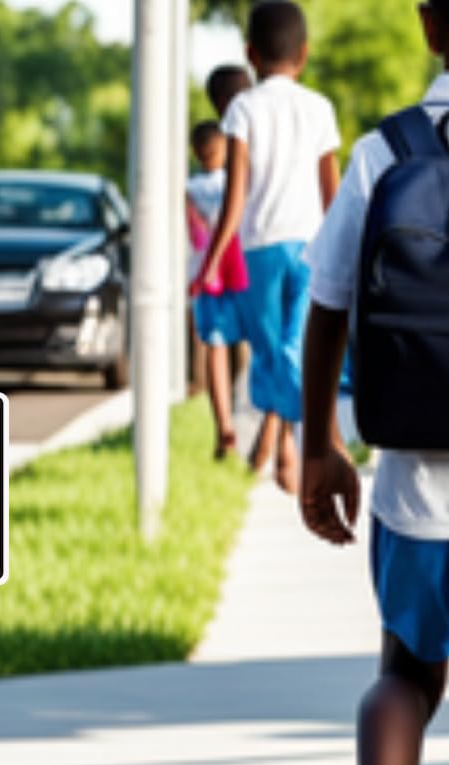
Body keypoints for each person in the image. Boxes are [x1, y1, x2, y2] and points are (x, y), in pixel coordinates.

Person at [301, 3, 449, 765]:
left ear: (432, 27)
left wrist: (320, 443)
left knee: (405, 674)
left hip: (419, 490)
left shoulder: (384, 152)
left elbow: (327, 306)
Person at [196, 0, 341, 494]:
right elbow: (333, 196)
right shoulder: (320, 108)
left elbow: (234, 196)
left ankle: (297, 442)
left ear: (250, 54)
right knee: (293, 349)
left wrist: (212, 261)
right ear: (303, 55)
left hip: (259, 250)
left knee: (270, 354)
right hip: (312, 248)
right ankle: (290, 445)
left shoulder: (242, 108)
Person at [186, 121, 249, 459]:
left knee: (215, 345)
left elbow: (193, 234)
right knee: (242, 344)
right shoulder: (239, 181)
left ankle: (225, 420)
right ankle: (233, 414)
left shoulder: (189, 188)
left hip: (207, 270)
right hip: (237, 264)